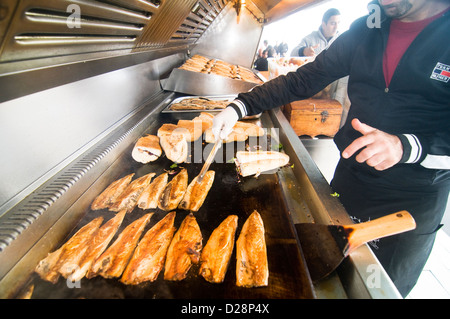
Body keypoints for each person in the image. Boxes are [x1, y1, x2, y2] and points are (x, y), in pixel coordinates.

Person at [212, 0, 450, 298]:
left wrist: (407, 146)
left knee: (376, 288)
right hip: (351, 178)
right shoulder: (367, 28)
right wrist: (240, 105)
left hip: (411, 195)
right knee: (330, 280)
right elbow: (306, 78)